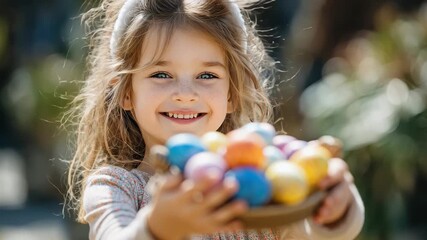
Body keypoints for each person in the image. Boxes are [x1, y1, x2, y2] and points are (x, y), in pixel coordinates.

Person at [66, 0, 364, 239]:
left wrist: (337, 207)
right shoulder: (116, 186)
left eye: (207, 75)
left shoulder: (260, 180)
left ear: (232, 93)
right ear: (125, 92)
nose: (185, 94)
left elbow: (313, 234)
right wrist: (158, 228)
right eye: (161, 74)